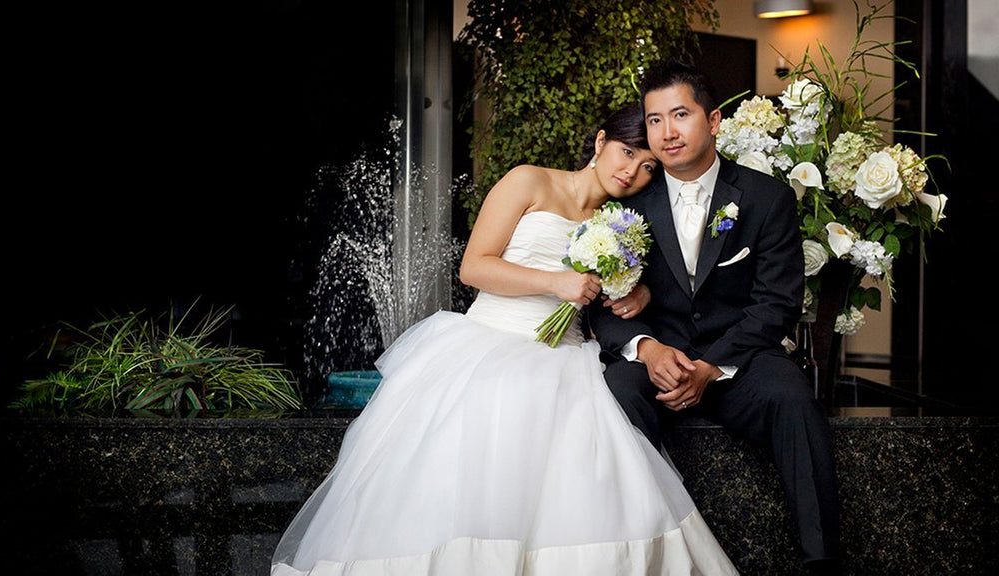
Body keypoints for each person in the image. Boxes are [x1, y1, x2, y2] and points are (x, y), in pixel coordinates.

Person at [270, 105, 739, 575]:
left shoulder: (627, 220)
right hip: (491, 342)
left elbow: (612, 303)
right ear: (600, 143)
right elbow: (473, 266)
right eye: (626, 152)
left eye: (647, 167)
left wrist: (636, 290)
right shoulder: (529, 182)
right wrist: (554, 282)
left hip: (571, 355)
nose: (631, 171)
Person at [588, 60, 842, 576]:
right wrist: (648, 347)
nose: (666, 132)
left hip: (739, 360)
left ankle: (822, 560)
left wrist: (711, 368)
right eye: (654, 120)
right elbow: (603, 303)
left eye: (680, 114)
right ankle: (643, 553)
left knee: (792, 396)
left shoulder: (766, 198)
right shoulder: (630, 201)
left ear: (715, 120)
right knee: (615, 386)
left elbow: (776, 304)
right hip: (659, 357)